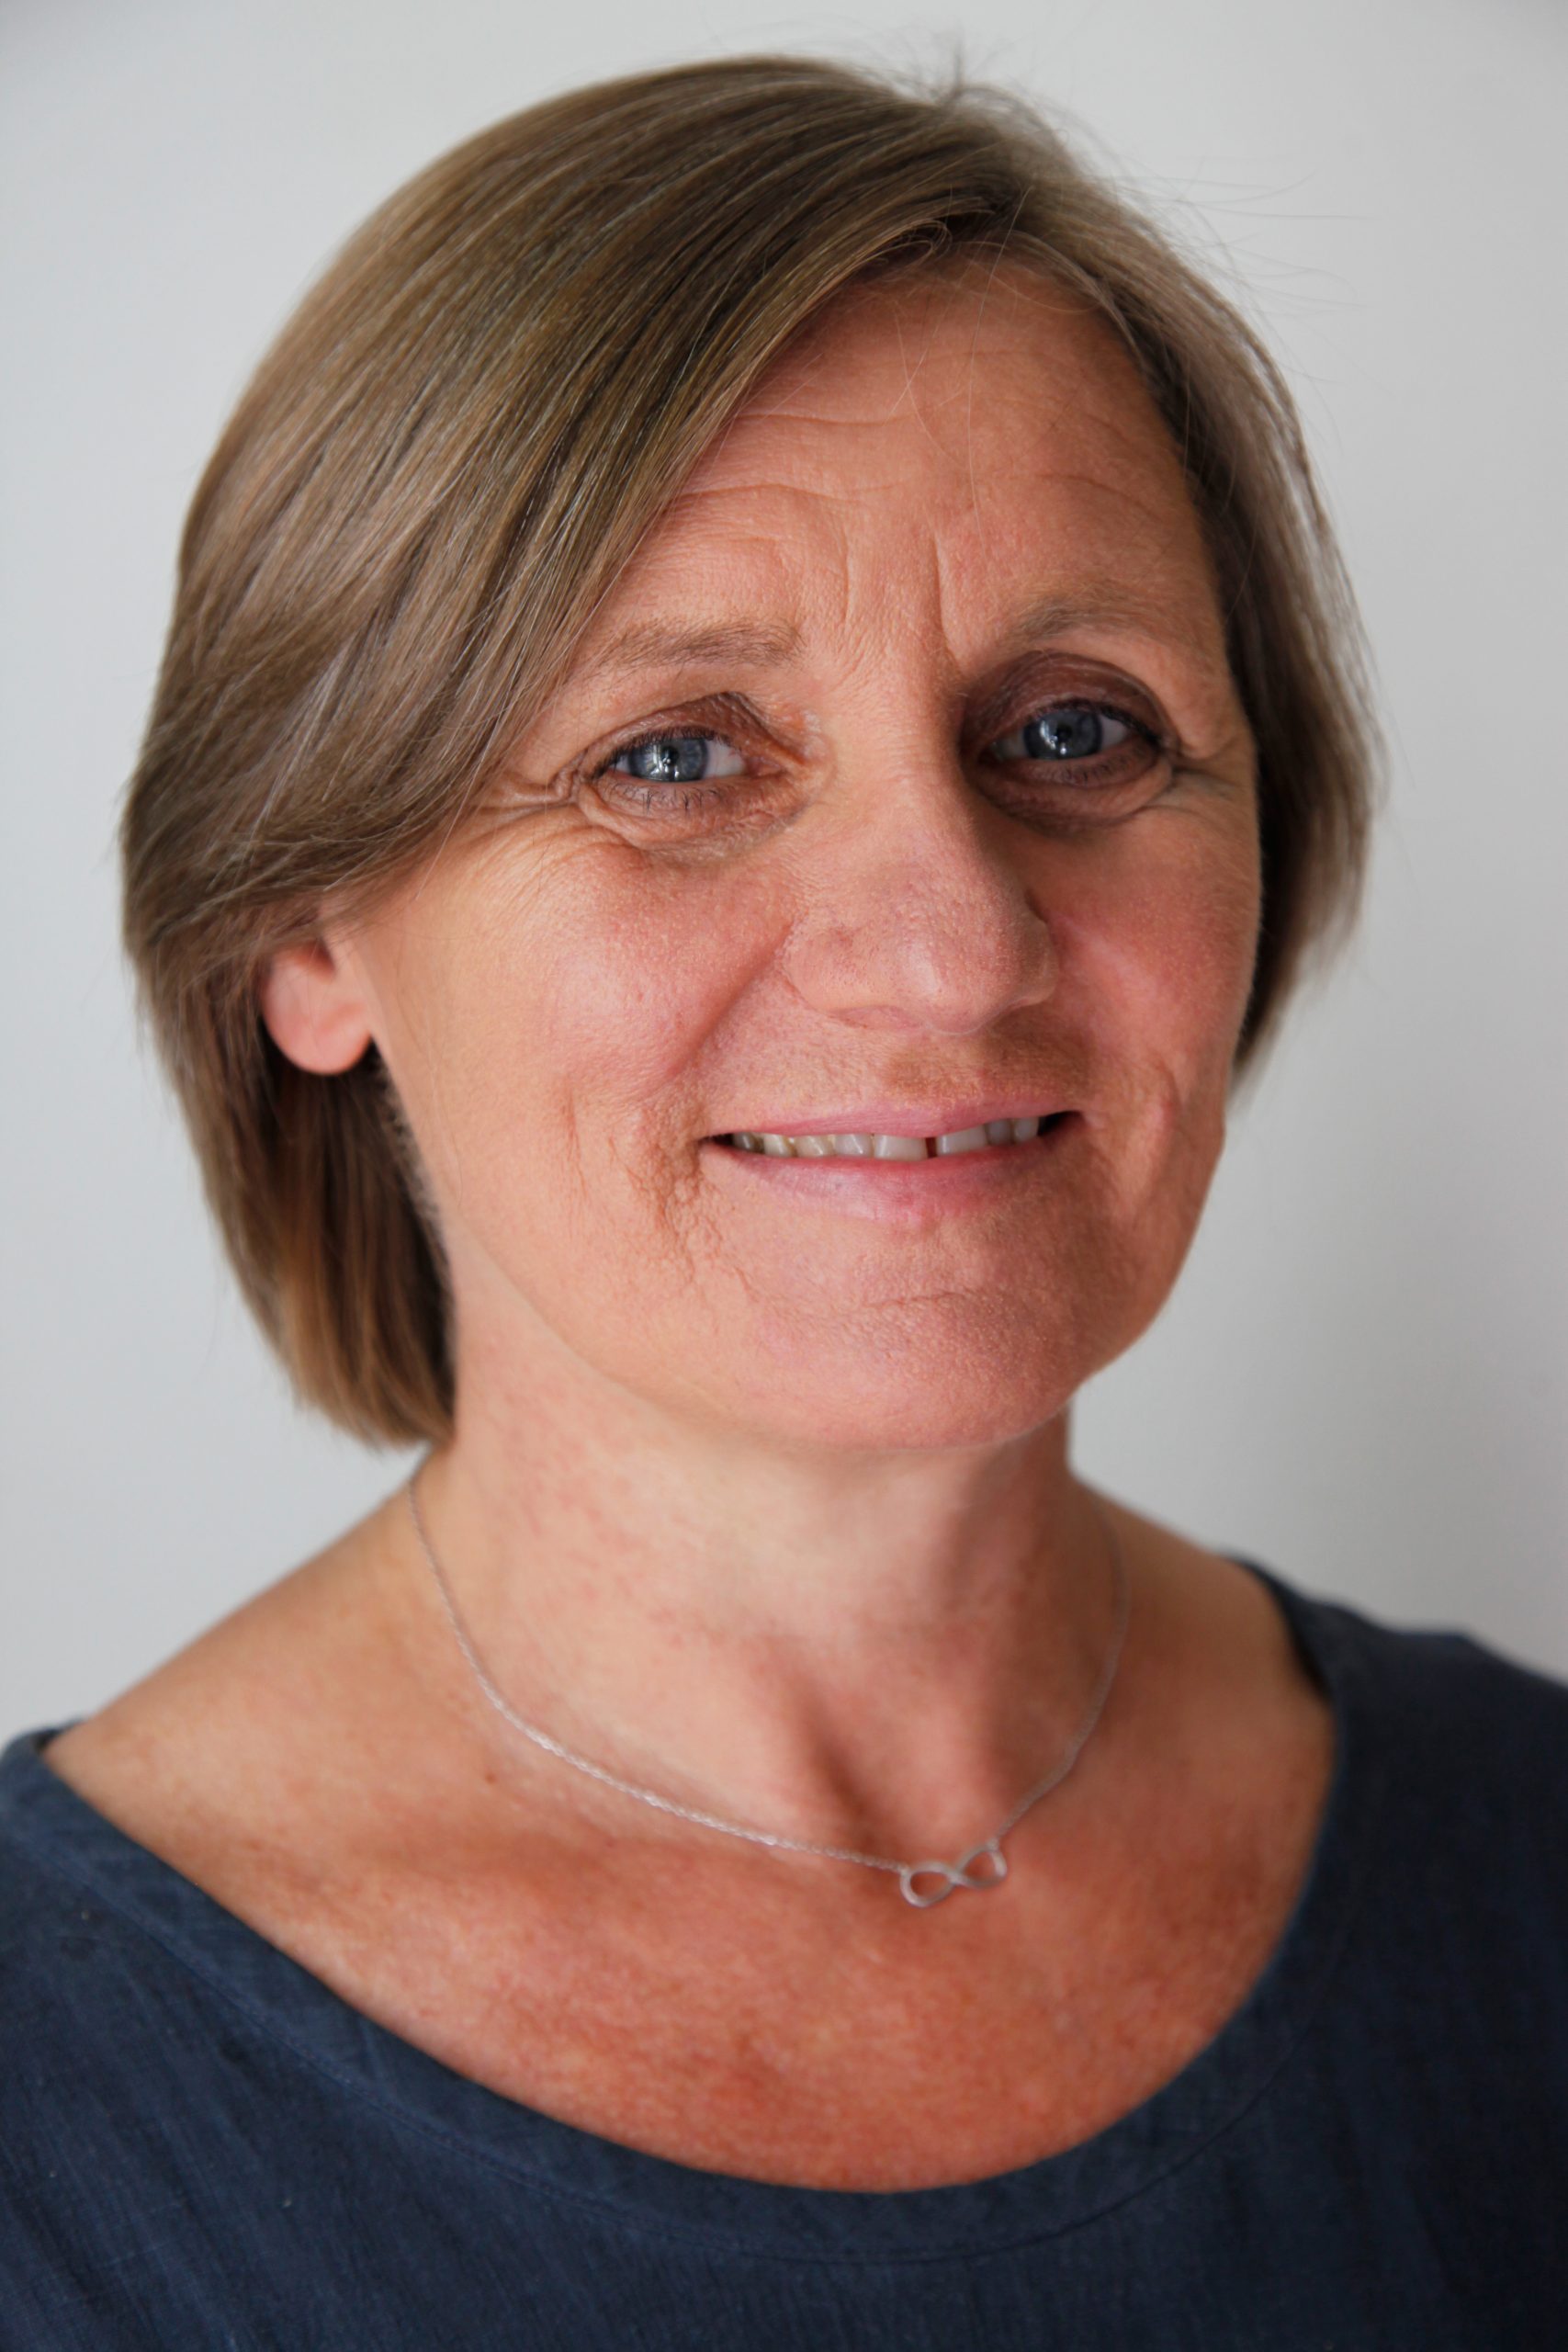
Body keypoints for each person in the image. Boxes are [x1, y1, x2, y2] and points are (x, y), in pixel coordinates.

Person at [2, 51, 1563, 2351]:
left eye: (1073, 728)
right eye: (673, 757)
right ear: (302, 933)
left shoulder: (1529, 1856)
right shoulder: (47, 2116)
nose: (950, 947)